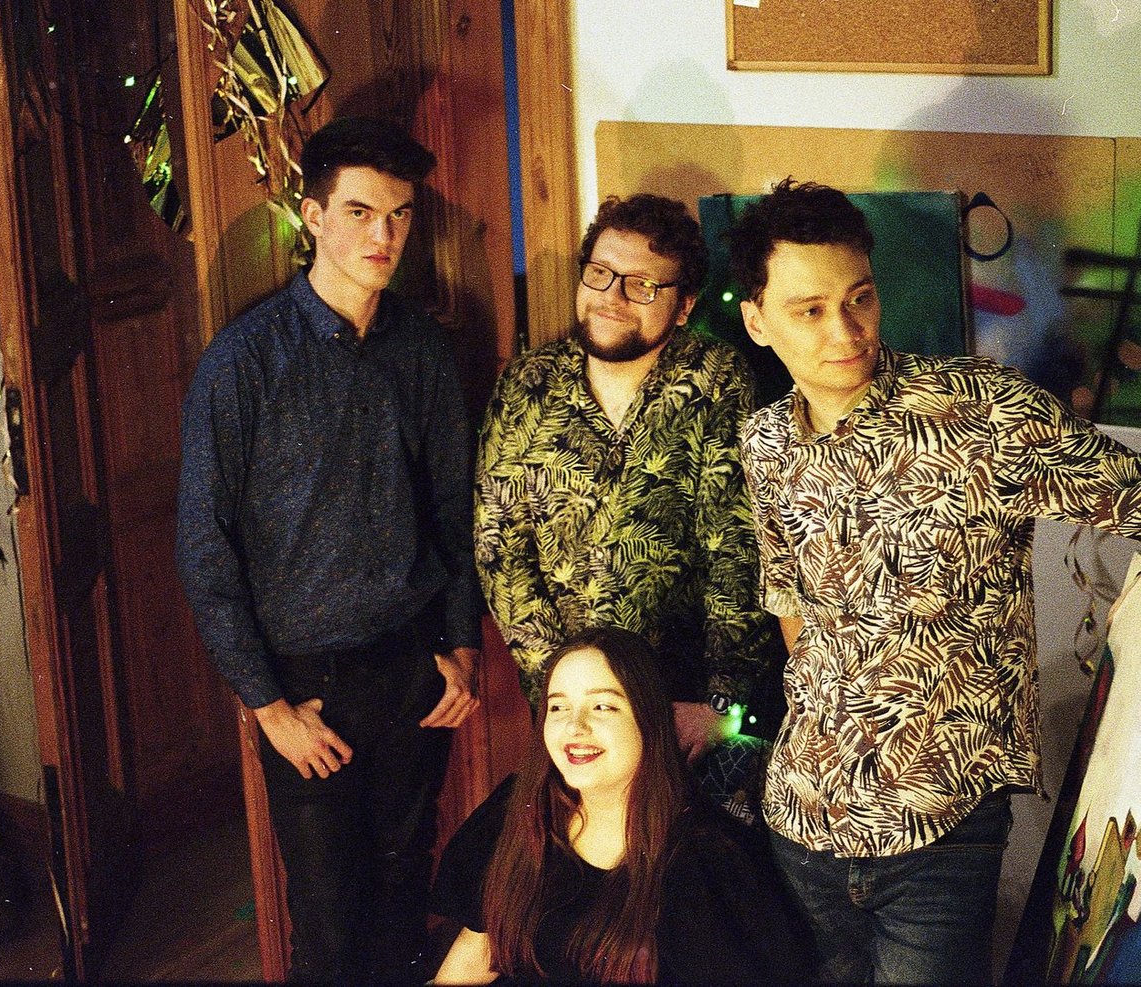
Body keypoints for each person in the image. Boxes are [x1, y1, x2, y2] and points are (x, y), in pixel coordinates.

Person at [727, 178, 1141, 985]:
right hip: (802, 826)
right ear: (758, 320)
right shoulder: (766, 442)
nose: (845, 331)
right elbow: (792, 605)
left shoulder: (982, 416)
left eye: (859, 298)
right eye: (809, 310)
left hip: (938, 835)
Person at [175, 117, 481, 982]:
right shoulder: (243, 362)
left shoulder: (421, 349)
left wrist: (461, 647)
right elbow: (203, 544)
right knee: (327, 920)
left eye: (399, 214)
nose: (384, 235)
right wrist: (270, 707)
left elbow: (454, 509)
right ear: (312, 216)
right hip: (307, 684)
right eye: (359, 212)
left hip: (412, 667)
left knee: (404, 890)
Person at [474, 193, 780, 792]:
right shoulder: (528, 384)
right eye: (600, 273)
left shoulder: (717, 382)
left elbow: (739, 550)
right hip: (567, 707)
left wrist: (722, 702)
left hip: (682, 703)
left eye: (642, 285)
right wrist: (565, 690)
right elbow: (499, 549)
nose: (612, 297)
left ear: (684, 306)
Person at [429, 627, 811, 985]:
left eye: (602, 707)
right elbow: (479, 947)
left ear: (650, 719)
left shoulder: (708, 861)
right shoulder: (518, 808)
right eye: (558, 707)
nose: (574, 726)